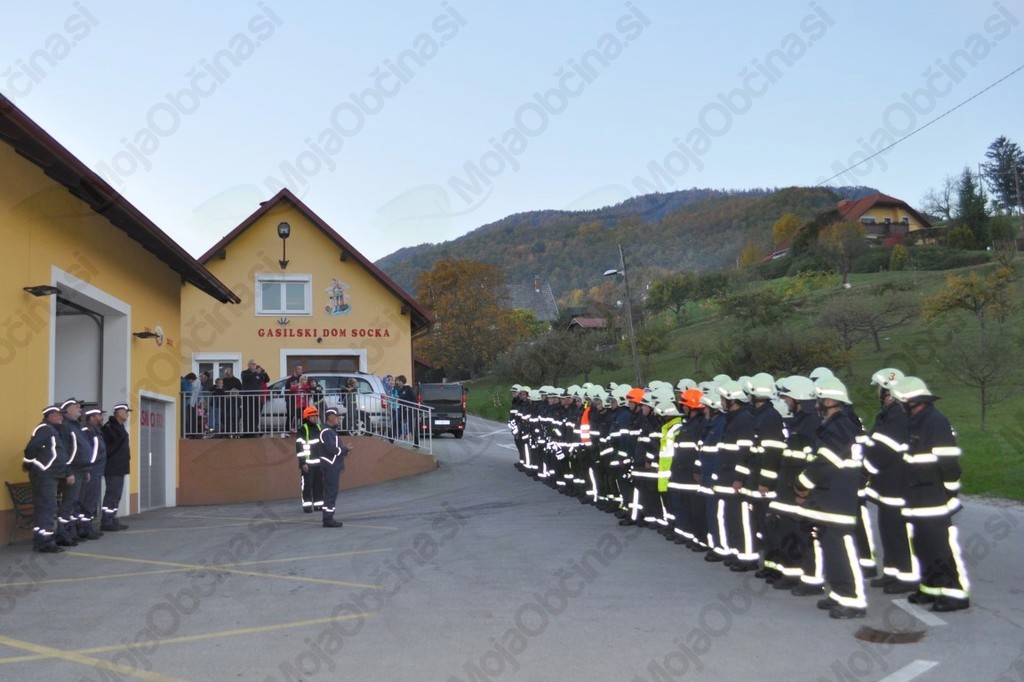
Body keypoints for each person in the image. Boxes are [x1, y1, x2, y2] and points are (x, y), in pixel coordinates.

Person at [891, 376, 970, 613]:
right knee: (923, 545)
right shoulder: (915, 422)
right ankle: (931, 587)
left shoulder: (936, 421)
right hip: (917, 497)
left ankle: (955, 594)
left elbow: (949, 464)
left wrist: (949, 491)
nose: (899, 406)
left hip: (933, 498)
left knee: (938, 548)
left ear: (911, 401)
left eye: (900, 401)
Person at [793, 377, 867, 619]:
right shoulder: (839, 424)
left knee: (841, 550)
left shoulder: (841, 425)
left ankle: (853, 600)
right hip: (829, 499)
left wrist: (802, 483)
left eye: (819, 401)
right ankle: (838, 592)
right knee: (832, 550)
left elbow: (827, 461)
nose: (816, 406)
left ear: (830, 401)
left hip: (836, 499)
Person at [23, 405, 71, 552]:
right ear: (50, 416)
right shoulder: (45, 429)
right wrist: (30, 464)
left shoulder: (51, 429)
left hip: (50, 474)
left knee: (44, 508)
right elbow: (30, 449)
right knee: (48, 507)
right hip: (45, 475)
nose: (61, 417)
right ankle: (46, 543)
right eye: (58, 414)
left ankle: (40, 540)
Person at [55, 398, 92, 546]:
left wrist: (86, 469)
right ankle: (62, 534)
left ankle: (72, 532)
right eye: (76, 406)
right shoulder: (65, 427)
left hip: (81, 470)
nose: (80, 409)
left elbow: (82, 449)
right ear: (67, 410)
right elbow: (64, 452)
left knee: (76, 503)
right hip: (73, 471)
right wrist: (68, 471)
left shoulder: (76, 426)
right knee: (68, 503)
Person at [77, 406, 107, 540]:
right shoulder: (87, 431)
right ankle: (84, 528)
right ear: (92, 417)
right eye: (99, 415)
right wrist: (89, 467)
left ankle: (87, 526)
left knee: (92, 499)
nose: (101, 418)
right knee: (88, 500)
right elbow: (87, 452)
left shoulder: (96, 431)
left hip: (97, 470)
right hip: (91, 470)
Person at [101, 404, 131, 531]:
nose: (127, 414)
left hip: (120, 466)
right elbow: (108, 449)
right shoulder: (109, 428)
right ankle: (106, 521)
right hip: (112, 466)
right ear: (118, 413)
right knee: (112, 494)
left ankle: (112, 518)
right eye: (125, 412)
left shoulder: (119, 426)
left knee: (116, 495)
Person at [318, 408, 351, 528]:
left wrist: (343, 450)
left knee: (331, 492)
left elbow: (334, 449)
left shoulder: (329, 431)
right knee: (330, 493)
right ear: (330, 417)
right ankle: (328, 518)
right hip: (330, 466)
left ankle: (328, 517)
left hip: (331, 466)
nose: (338, 419)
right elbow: (332, 449)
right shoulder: (327, 432)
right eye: (336, 416)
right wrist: (345, 449)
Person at [296, 406, 324, 514]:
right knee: (307, 485)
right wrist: (303, 462)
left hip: (319, 463)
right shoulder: (302, 429)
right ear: (307, 417)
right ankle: (307, 506)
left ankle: (318, 505)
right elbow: (299, 447)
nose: (315, 418)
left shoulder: (319, 428)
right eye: (313, 416)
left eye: (316, 416)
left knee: (319, 485)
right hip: (307, 464)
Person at [241, 359, 270, 436]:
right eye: (252, 364)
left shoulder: (258, 374)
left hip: (257, 397)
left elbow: (267, 380)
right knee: (248, 415)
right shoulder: (244, 373)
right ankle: (247, 432)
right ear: (248, 365)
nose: (254, 365)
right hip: (248, 398)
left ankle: (254, 430)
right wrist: (255, 372)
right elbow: (245, 379)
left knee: (256, 414)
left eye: (255, 364)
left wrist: (264, 372)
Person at [395, 375, 419, 447]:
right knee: (395, 421)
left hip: (409, 409)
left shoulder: (409, 389)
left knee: (411, 425)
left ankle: (416, 442)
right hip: (401, 409)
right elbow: (400, 399)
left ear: (402, 381)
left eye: (399, 381)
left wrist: (410, 407)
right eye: (398, 381)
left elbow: (414, 399)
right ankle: (392, 438)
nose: (398, 382)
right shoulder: (400, 390)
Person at [222, 368, 243, 436]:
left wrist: (234, 393)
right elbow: (221, 388)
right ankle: (227, 432)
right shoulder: (223, 380)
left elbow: (240, 390)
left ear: (231, 373)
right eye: (226, 374)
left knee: (235, 417)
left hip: (235, 402)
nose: (226, 376)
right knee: (225, 417)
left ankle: (236, 432)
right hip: (226, 401)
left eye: (227, 374)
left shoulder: (237, 381)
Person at [284, 364, 304, 431]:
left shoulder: (303, 378)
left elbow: (308, 387)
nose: (301, 370)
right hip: (292, 400)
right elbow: (286, 391)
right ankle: (287, 431)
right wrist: (287, 400)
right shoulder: (290, 380)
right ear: (295, 370)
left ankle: (301, 431)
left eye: (301, 369)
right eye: (299, 369)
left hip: (301, 401)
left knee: (301, 416)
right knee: (290, 415)